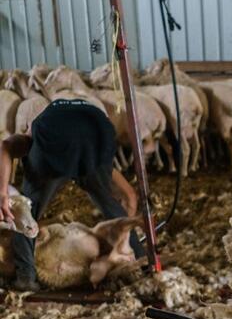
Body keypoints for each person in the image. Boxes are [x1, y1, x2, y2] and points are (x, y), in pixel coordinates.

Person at [0, 98, 142, 292]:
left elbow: (6, 146)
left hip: (54, 143)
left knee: (26, 213)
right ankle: (142, 262)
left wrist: (3, 193)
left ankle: (26, 278)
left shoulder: (33, 132)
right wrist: (127, 218)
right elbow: (129, 194)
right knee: (110, 206)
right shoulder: (74, 120)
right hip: (99, 134)